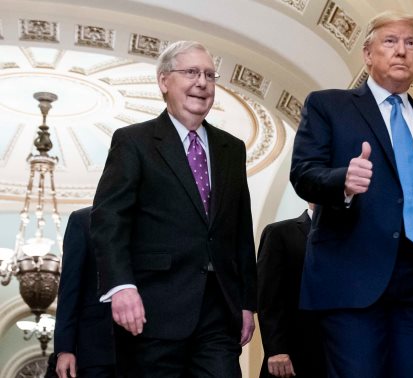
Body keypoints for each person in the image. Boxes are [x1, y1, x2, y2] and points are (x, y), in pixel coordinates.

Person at [290, 11, 413, 378]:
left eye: (411, 44)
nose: (402, 51)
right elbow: (303, 173)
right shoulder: (329, 106)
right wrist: (342, 180)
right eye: (390, 42)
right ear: (368, 54)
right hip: (353, 278)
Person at [91, 40, 256, 377]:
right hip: (152, 310)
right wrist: (121, 286)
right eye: (192, 72)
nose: (202, 83)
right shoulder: (133, 142)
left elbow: (240, 230)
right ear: (164, 81)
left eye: (210, 75)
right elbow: (110, 219)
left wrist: (246, 302)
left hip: (218, 312)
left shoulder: (232, 149)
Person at [257, 204, 326, 378]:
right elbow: (268, 297)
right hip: (294, 356)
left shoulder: (351, 236)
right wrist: (276, 349)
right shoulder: (280, 233)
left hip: (339, 355)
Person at [53, 206, 115, 378]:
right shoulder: (82, 219)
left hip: (147, 346)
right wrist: (64, 349)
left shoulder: (153, 218)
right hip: (96, 349)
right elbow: (69, 290)